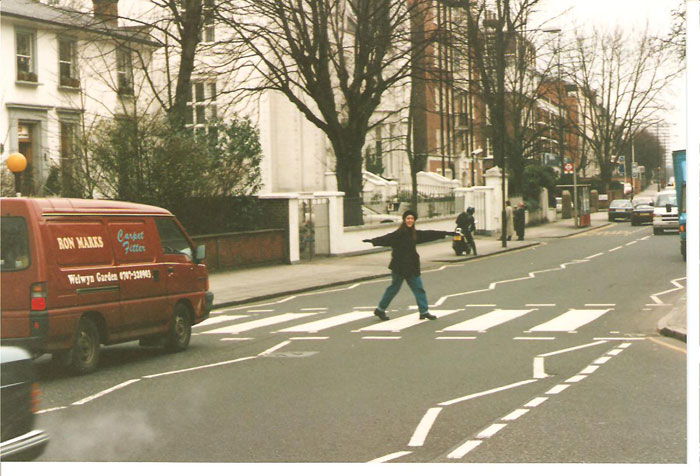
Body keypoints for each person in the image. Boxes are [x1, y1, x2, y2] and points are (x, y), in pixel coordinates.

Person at [363, 210, 457, 321]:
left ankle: (424, 312)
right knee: (394, 289)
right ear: (404, 220)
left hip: (411, 267)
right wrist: (373, 241)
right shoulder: (398, 234)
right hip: (399, 267)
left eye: (412, 218)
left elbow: (430, 234)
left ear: (414, 220)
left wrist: (446, 233)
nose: (410, 220)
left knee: (419, 289)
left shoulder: (415, 234)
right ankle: (380, 309)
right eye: (408, 218)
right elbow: (386, 238)